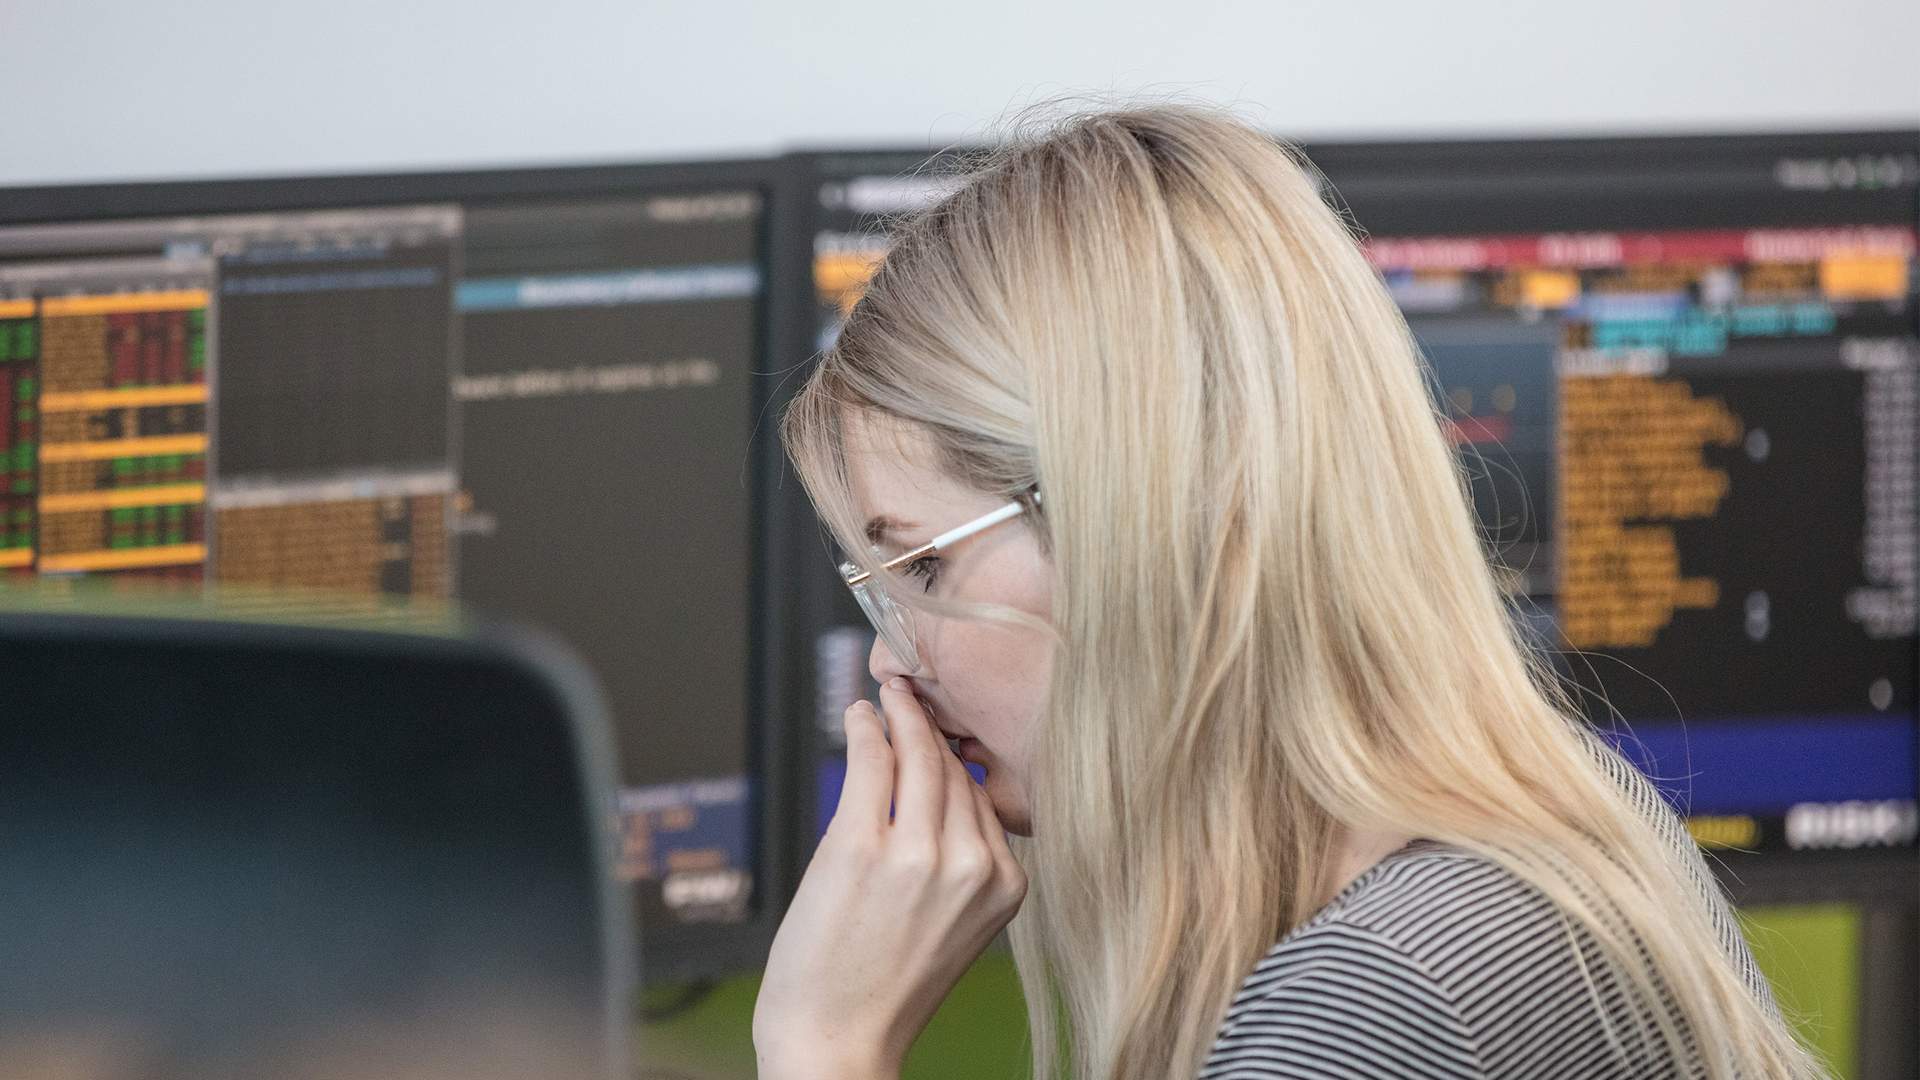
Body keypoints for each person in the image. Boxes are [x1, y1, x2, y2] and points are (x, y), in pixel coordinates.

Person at [753, 103, 1819, 1079]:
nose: (894, 658)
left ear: (1141, 520)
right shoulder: (1579, 816)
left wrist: (825, 1044)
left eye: (923, 566)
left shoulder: (1378, 999)